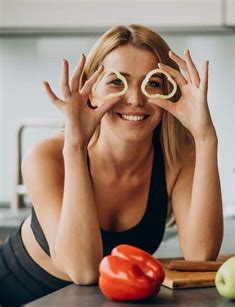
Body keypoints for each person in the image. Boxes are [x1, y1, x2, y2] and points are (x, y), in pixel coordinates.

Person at [0, 24, 223, 305]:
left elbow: (201, 256)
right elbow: (82, 270)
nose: (135, 99)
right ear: (91, 92)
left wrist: (205, 138)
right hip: (18, 294)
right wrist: (76, 144)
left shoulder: (178, 157)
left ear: (169, 93)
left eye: (152, 83)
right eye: (117, 82)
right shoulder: (47, 156)